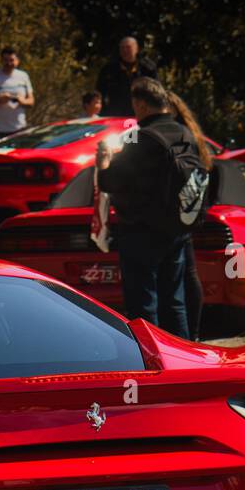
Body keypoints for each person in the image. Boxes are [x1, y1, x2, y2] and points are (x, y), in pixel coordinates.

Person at [96, 77, 200, 338]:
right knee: (175, 302)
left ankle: (151, 363)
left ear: (141, 104)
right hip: (177, 228)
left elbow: (109, 181)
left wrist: (104, 162)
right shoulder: (184, 132)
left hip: (140, 231)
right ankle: (184, 361)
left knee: (143, 305)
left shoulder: (136, 138)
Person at [166, 90, 212, 339]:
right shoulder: (192, 134)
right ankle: (193, 334)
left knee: (181, 279)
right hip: (191, 211)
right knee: (189, 272)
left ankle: (187, 336)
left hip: (176, 214)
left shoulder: (175, 136)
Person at [96, 36, 158, 117]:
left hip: (142, 114)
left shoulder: (148, 68)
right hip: (116, 114)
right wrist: (104, 112)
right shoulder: (109, 69)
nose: (125, 50)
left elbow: (156, 92)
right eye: (122, 48)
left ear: (136, 49)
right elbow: (99, 93)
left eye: (128, 47)